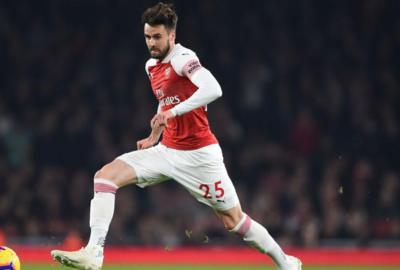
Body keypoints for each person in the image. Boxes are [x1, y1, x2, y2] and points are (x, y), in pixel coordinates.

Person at [51, 2, 302, 270]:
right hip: (167, 150)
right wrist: (154, 135)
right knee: (104, 177)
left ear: (172, 35)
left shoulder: (184, 59)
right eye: (148, 37)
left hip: (200, 156)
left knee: (234, 221)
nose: (152, 43)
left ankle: (286, 263)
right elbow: (164, 101)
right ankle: (94, 252)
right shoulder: (151, 66)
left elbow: (213, 89)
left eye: (157, 36)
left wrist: (173, 114)